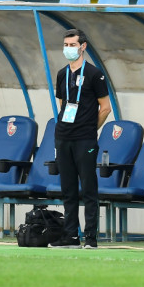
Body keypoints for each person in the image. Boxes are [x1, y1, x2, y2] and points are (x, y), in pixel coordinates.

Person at [49, 29, 111, 249]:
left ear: (83, 46)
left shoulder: (95, 74)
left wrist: (88, 128)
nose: (68, 48)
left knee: (88, 188)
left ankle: (91, 237)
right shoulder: (61, 74)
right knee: (68, 189)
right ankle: (70, 236)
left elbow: (105, 108)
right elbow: (62, 105)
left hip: (85, 139)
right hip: (63, 137)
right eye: (66, 44)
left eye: (72, 44)